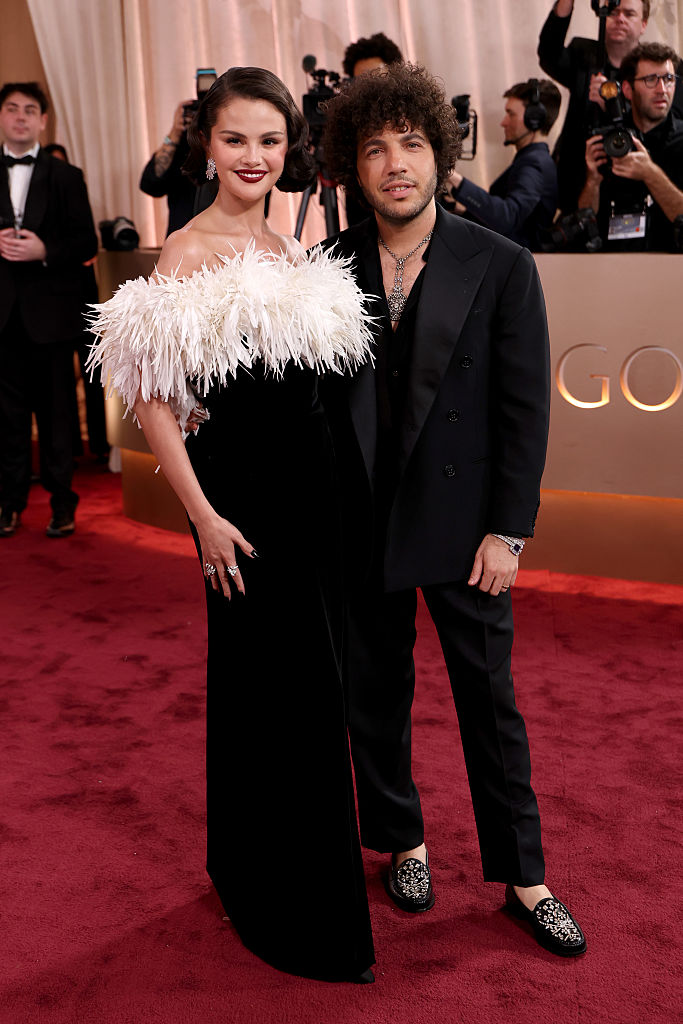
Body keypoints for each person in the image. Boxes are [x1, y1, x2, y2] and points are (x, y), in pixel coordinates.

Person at [88, 67, 375, 983]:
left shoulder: (299, 249)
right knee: (267, 693)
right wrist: (204, 517)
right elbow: (155, 402)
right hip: (244, 512)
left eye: (270, 141)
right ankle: (282, 900)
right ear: (206, 146)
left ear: (289, 152)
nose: (254, 158)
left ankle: (264, 868)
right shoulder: (185, 251)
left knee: (314, 692)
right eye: (236, 139)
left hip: (317, 501)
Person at [321, 63, 586, 958]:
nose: (395, 163)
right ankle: (402, 840)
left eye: (410, 143)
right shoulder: (326, 272)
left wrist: (509, 530)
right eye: (374, 148)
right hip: (361, 526)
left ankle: (524, 876)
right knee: (373, 696)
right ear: (351, 168)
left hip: (469, 531)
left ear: (440, 153)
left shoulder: (500, 262)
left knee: (490, 703)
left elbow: (524, 409)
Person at [0, 81, 98, 538]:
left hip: (51, 319)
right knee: (7, 419)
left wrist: (44, 249)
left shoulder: (66, 176)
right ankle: (10, 502)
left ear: (43, 120)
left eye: (30, 110)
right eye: (12, 109)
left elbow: (86, 242)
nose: (20, 117)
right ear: (2, 117)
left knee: (58, 417)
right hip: (2, 317)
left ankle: (63, 504)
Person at [537, 0, 683, 213]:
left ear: (643, 24)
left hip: (641, 188)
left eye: (629, 13)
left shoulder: (662, 70)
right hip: (581, 180)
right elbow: (549, 52)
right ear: (602, 15)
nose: (620, 19)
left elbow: (667, 121)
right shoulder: (583, 55)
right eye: (614, 12)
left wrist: (614, 107)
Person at [579, 42, 683, 250]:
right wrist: (592, 181)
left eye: (669, 79)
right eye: (650, 80)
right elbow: (584, 224)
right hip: (611, 264)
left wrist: (650, 173)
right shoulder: (610, 140)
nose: (662, 89)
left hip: (669, 267)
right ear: (627, 89)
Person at [447, 79, 561, 251]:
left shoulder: (534, 163)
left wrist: (452, 177)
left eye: (511, 114)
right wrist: (461, 210)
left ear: (534, 119)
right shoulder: (530, 159)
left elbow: (508, 217)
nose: (504, 122)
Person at [341, 33, 404, 228]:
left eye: (377, 79)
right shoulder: (348, 135)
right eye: (362, 82)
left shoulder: (417, 122)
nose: (371, 90)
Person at [139, 98, 217, 235]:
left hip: (222, 246)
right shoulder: (181, 151)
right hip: (180, 243)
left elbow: (259, 210)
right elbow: (150, 185)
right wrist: (175, 133)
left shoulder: (229, 154)